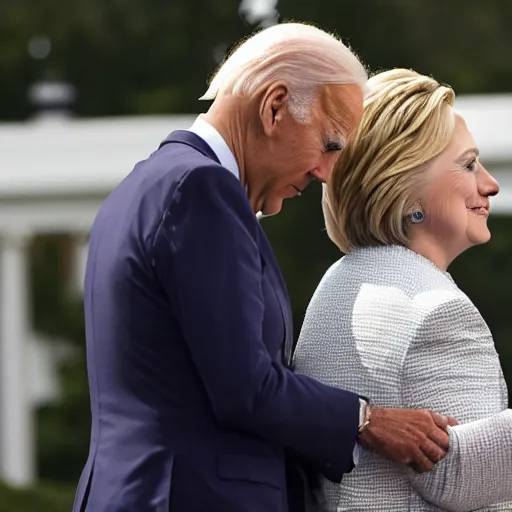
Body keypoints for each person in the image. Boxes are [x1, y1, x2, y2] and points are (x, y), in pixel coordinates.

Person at [72, 27, 453, 512]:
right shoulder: (202, 190)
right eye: (330, 145)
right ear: (274, 107)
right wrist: (368, 421)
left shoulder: (147, 184)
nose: (326, 173)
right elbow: (245, 387)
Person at [294, 68, 512, 511]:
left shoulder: (336, 286)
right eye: (468, 164)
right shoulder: (439, 311)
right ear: (406, 190)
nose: (489, 184)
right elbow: (455, 474)